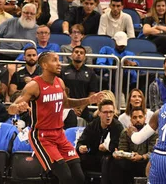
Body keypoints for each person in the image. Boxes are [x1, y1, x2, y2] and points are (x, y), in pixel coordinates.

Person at [7, 51, 104, 184]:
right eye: (55, 60)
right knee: (64, 176)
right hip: (42, 136)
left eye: (59, 60)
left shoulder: (60, 82)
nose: (59, 64)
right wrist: (18, 107)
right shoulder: (34, 85)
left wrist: (88, 100)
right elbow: (11, 108)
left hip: (60, 134)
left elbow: (66, 103)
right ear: (45, 65)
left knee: (79, 177)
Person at [76, 99, 124, 182]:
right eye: (105, 112)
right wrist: (81, 147)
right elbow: (81, 141)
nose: (108, 115)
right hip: (94, 157)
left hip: (109, 158)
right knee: (77, 160)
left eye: (111, 112)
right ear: (99, 113)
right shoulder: (92, 125)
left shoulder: (117, 127)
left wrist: (108, 148)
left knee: (107, 160)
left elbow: (119, 146)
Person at [60, 46, 99, 121]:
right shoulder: (63, 71)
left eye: (81, 53)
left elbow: (92, 93)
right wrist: (72, 107)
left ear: (84, 57)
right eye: (76, 52)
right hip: (67, 110)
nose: (78, 54)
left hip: (83, 109)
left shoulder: (91, 73)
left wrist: (81, 108)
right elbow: (62, 91)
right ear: (71, 55)